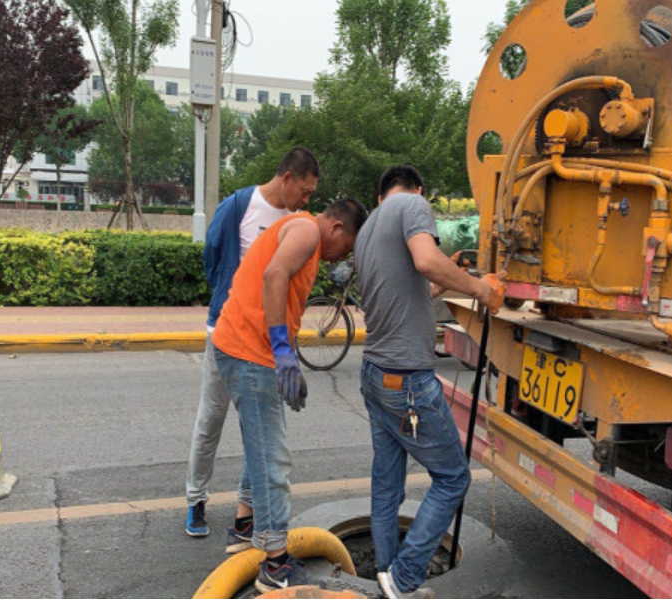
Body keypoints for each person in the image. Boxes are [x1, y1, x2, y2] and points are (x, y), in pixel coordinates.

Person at [354, 165, 505, 599]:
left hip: (375, 372)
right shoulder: (413, 204)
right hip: (406, 380)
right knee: (453, 477)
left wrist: (446, 277)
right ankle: (404, 578)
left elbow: (409, 288)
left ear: (380, 194)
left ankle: (386, 573)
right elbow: (425, 261)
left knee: (387, 485)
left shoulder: (369, 228)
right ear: (418, 189)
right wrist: (479, 288)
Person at [212, 197, 367, 592]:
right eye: (347, 246)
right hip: (250, 351)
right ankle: (275, 563)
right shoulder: (307, 231)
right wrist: (282, 350)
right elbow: (274, 275)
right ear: (337, 228)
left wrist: (287, 356)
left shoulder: (303, 233)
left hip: (243, 347)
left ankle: (245, 524)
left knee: (259, 440)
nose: (341, 256)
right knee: (272, 457)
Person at [184, 147, 320, 543]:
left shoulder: (297, 220)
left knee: (258, 427)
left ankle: (246, 510)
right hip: (228, 331)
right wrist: (232, 301)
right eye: (305, 191)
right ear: (287, 178)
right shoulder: (240, 205)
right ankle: (195, 498)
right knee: (211, 418)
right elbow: (213, 256)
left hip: (264, 344)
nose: (306, 200)